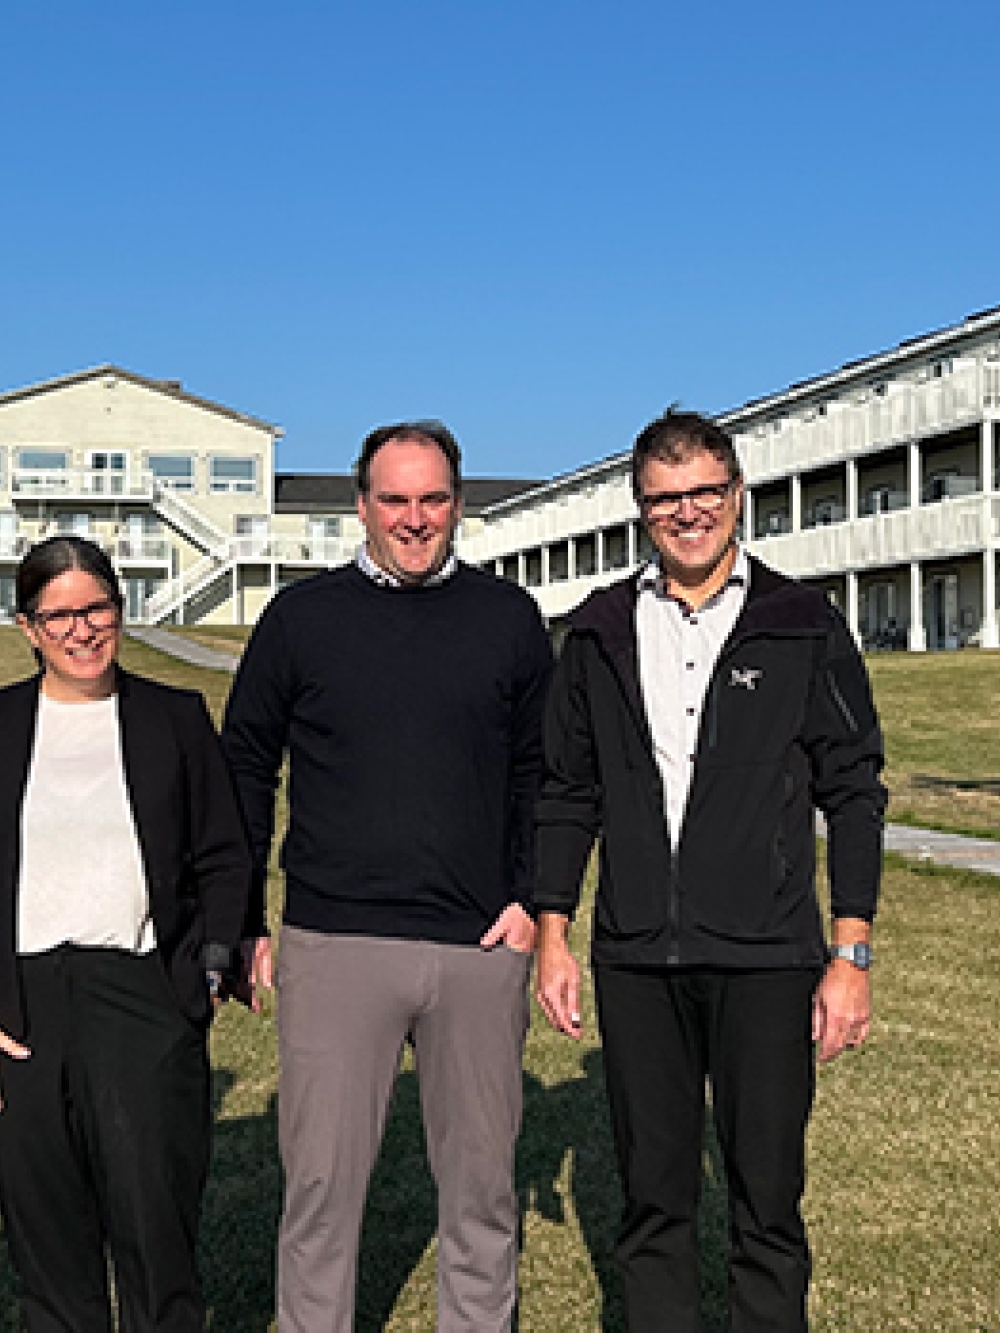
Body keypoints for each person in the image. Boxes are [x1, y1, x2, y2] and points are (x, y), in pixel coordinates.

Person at [534, 409, 886, 1332]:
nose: (687, 513)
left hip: (768, 957)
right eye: (665, 498)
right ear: (640, 510)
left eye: (703, 492)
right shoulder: (599, 631)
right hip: (639, 960)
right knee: (654, 1202)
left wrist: (850, 956)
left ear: (736, 495)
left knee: (766, 1201)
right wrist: (554, 934)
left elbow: (854, 788)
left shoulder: (803, 623)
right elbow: (568, 792)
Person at [221, 420, 553, 1333]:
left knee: (483, 1189)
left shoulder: (509, 619)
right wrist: (245, 914)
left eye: (434, 499)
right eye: (395, 499)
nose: (415, 519)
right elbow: (245, 764)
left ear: (459, 502)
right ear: (361, 504)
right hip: (335, 943)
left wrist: (531, 899)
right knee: (322, 1193)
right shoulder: (300, 619)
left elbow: (542, 770)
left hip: (480, 947)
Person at [0, 535, 251, 1332]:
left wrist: (208, 971)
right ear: (28, 626)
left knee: (155, 1233)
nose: (82, 629)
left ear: (120, 607)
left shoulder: (173, 717)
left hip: (144, 1000)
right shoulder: (0, 723)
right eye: (59, 614)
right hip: (24, 1012)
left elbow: (223, 851)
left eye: (97, 607)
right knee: (48, 1245)